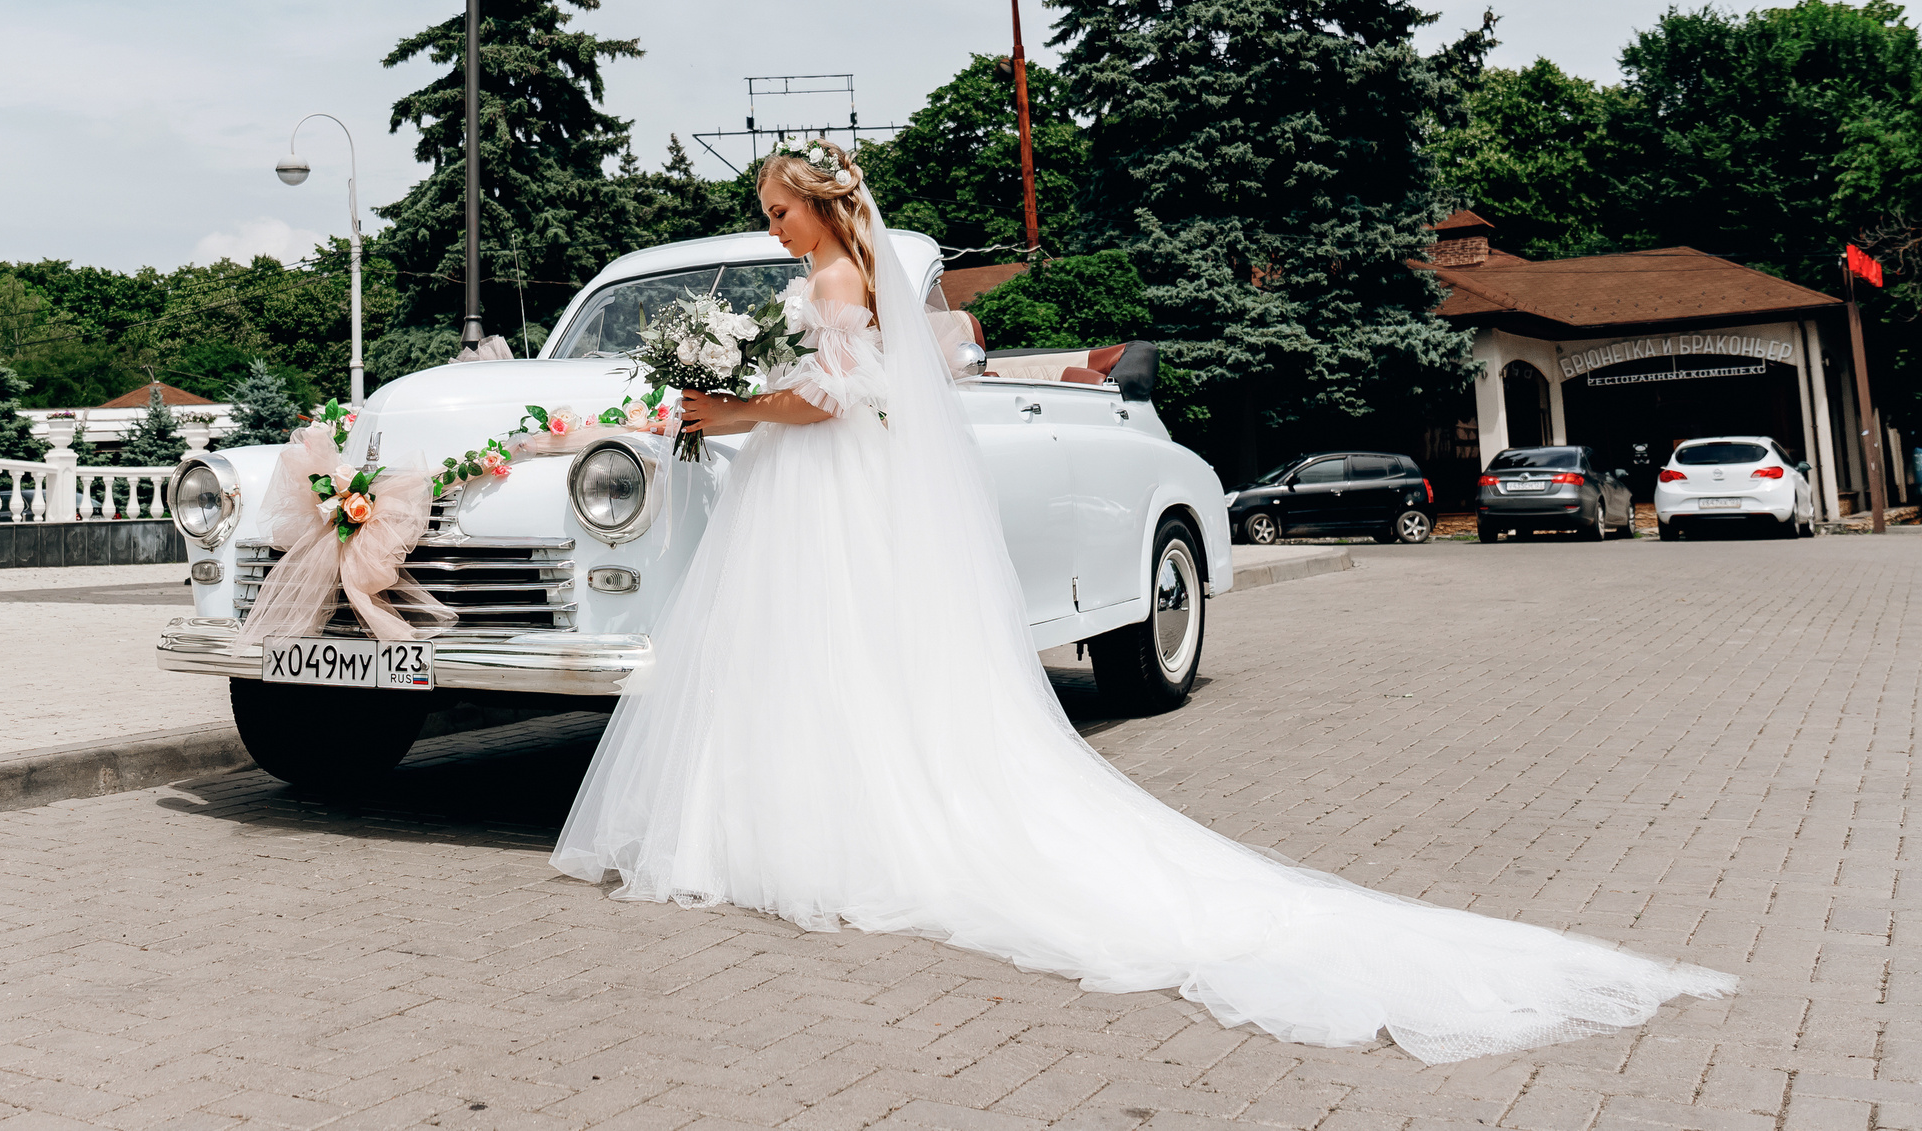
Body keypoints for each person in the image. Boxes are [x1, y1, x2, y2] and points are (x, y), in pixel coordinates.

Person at [550, 140, 1733, 1063]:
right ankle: (805, 812)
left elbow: (833, 400)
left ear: (818, 207)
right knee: (832, 652)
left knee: (824, 647)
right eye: (768, 211)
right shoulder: (845, 272)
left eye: (778, 208)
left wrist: (731, 409)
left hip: (817, 476)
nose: (773, 224)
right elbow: (846, 388)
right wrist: (751, 395)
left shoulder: (835, 278)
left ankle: (815, 826)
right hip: (823, 487)